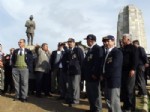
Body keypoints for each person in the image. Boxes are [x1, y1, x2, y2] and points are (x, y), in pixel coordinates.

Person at [82, 34, 103, 112]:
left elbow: (98, 62)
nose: (86, 42)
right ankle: (92, 108)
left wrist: (95, 73)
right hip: (88, 75)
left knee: (95, 93)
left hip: (93, 76)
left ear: (91, 40)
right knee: (90, 93)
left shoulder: (98, 49)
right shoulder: (90, 49)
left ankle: (98, 109)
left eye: (87, 40)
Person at [102, 35, 123, 112]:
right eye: (105, 41)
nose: (106, 43)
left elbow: (114, 66)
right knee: (108, 100)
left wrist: (105, 75)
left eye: (108, 41)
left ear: (113, 41)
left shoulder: (117, 52)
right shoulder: (107, 52)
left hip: (114, 80)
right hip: (107, 79)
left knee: (114, 102)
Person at [121, 34, 138, 112]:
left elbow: (135, 59)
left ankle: (130, 107)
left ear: (128, 39)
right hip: (123, 71)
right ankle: (126, 105)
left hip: (130, 71)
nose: (122, 39)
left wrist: (133, 69)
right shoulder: (123, 48)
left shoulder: (133, 48)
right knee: (124, 89)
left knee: (129, 89)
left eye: (123, 38)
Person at [65, 38, 84, 106]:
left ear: (74, 43)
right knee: (70, 86)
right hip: (70, 71)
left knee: (75, 87)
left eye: (71, 42)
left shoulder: (78, 49)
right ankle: (71, 99)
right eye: (68, 42)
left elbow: (82, 60)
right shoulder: (69, 51)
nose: (69, 43)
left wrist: (81, 70)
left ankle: (76, 101)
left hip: (76, 71)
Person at [133, 40, 149, 110]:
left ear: (136, 44)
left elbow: (144, 56)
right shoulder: (137, 49)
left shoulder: (140, 48)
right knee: (138, 80)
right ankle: (140, 92)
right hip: (138, 66)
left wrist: (146, 62)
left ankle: (144, 94)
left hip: (140, 66)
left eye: (133, 44)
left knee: (141, 79)